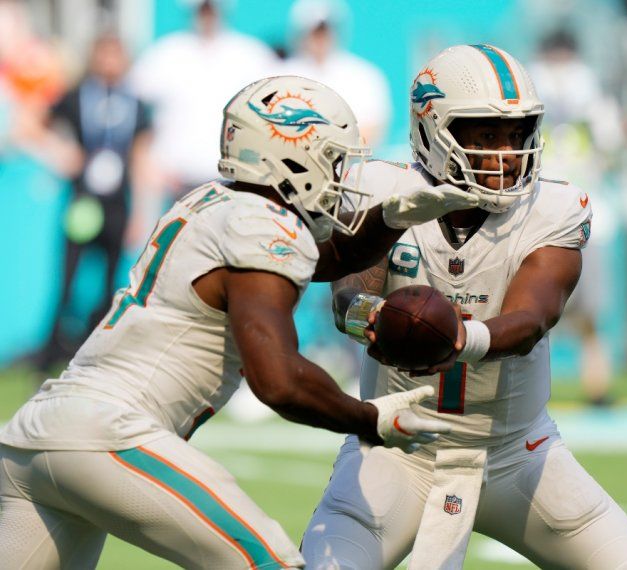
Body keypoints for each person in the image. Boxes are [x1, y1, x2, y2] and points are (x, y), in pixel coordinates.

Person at [0, 76, 480, 569]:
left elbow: (323, 261)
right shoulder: (264, 226)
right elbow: (278, 381)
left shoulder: (214, 202)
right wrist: (371, 419)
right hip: (108, 433)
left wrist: (390, 218)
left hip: (39, 434)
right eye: (333, 159)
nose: (340, 176)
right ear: (291, 155)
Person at [301, 45, 627, 569]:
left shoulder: (554, 209)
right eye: (486, 135)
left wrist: (460, 337)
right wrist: (370, 317)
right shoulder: (382, 188)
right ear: (432, 130)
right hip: (399, 451)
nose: (506, 153)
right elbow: (347, 293)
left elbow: (532, 318)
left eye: (517, 134)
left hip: (516, 454)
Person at [27, 32, 152, 372]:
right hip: (82, 200)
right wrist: (59, 151)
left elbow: (141, 157)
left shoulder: (135, 104)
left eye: (116, 55)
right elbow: (34, 121)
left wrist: (141, 211)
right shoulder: (77, 96)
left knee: (111, 281)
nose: (110, 62)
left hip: (117, 204)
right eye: (104, 54)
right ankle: (50, 352)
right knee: (67, 278)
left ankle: (95, 349)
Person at [528, 30, 625, 406]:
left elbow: (611, 147)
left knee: (590, 315)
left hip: (589, 218)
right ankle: (530, 393)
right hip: (540, 220)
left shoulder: (594, 100)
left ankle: (597, 388)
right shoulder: (531, 101)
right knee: (534, 310)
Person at [129, 0, 277, 198]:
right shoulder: (164, 53)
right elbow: (133, 112)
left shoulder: (252, 55)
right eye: (203, 8)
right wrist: (145, 162)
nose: (207, 14)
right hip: (174, 182)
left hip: (234, 182)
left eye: (211, 8)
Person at [276, 0, 391, 147]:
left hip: (351, 166)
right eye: (315, 31)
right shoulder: (279, 74)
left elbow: (371, 130)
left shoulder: (365, 76)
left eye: (325, 31)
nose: (321, 38)